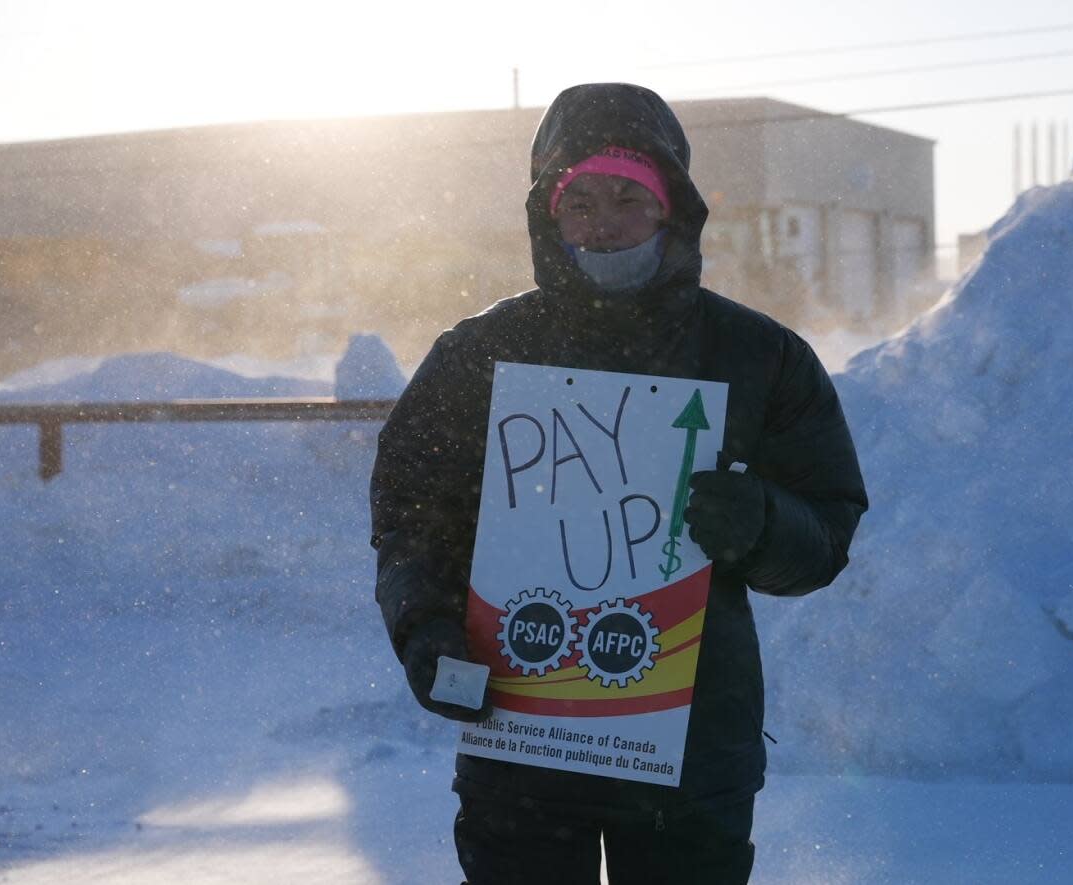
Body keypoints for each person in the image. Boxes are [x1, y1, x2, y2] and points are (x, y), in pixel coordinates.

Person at [370, 83, 868, 885]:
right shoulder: (478, 355)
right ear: (548, 214)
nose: (603, 222)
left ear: (671, 206)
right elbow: (413, 515)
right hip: (521, 743)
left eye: (629, 197)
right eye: (580, 200)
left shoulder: (757, 356)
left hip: (690, 753)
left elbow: (829, 529)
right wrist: (425, 628)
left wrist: (763, 523)